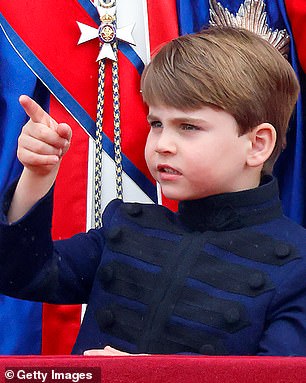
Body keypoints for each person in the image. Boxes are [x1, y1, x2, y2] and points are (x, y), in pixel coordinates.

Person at [0, 26, 306, 356]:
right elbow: (22, 274)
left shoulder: (298, 264)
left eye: (188, 127)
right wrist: (37, 175)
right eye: (156, 123)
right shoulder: (128, 227)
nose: (162, 145)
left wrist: (145, 374)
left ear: (257, 144)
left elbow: (276, 375)